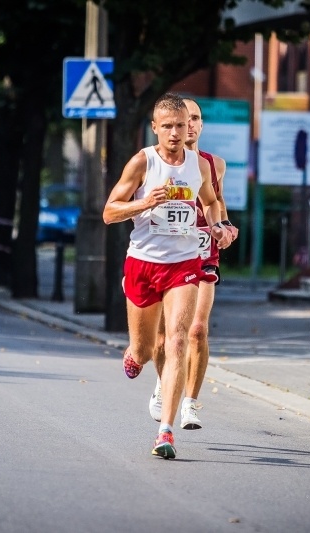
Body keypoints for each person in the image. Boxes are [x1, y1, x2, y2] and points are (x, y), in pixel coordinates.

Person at [103, 92, 232, 459]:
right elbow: (109, 212)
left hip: (183, 264)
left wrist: (220, 226)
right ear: (155, 128)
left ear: (189, 126)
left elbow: (209, 201)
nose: (176, 133)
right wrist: (146, 202)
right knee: (147, 349)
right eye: (168, 126)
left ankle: (166, 431)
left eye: (182, 125)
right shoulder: (142, 163)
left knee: (178, 339)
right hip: (143, 262)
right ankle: (135, 353)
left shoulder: (199, 165)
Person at [148, 97, 239, 430]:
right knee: (164, 338)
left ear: (198, 125)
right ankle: (164, 383)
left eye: (196, 118)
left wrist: (224, 227)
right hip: (165, 255)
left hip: (202, 252)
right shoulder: (154, 161)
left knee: (197, 330)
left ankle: (189, 403)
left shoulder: (214, 164)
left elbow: (217, 202)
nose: (189, 124)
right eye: (183, 118)